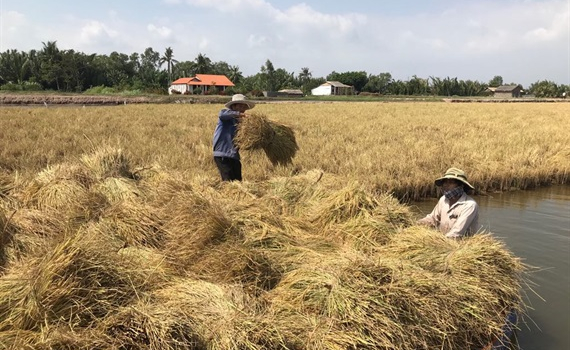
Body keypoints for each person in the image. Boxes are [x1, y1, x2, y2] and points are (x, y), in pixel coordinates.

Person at [418, 167, 480, 238]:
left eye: (451, 182)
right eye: (445, 182)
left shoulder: (469, 205)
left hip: (461, 245)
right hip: (443, 240)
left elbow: (456, 233)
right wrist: (417, 224)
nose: (446, 185)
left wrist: (438, 241)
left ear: (461, 185)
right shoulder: (443, 199)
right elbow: (433, 219)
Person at [212, 94, 255, 181]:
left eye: (244, 106)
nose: (242, 109)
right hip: (222, 154)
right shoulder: (225, 116)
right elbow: (221, 114)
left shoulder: (241, 124)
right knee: (228, 181)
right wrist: (240, 115)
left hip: (234, 155)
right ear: (233, 106)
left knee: (238, 181)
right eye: (240, 106)